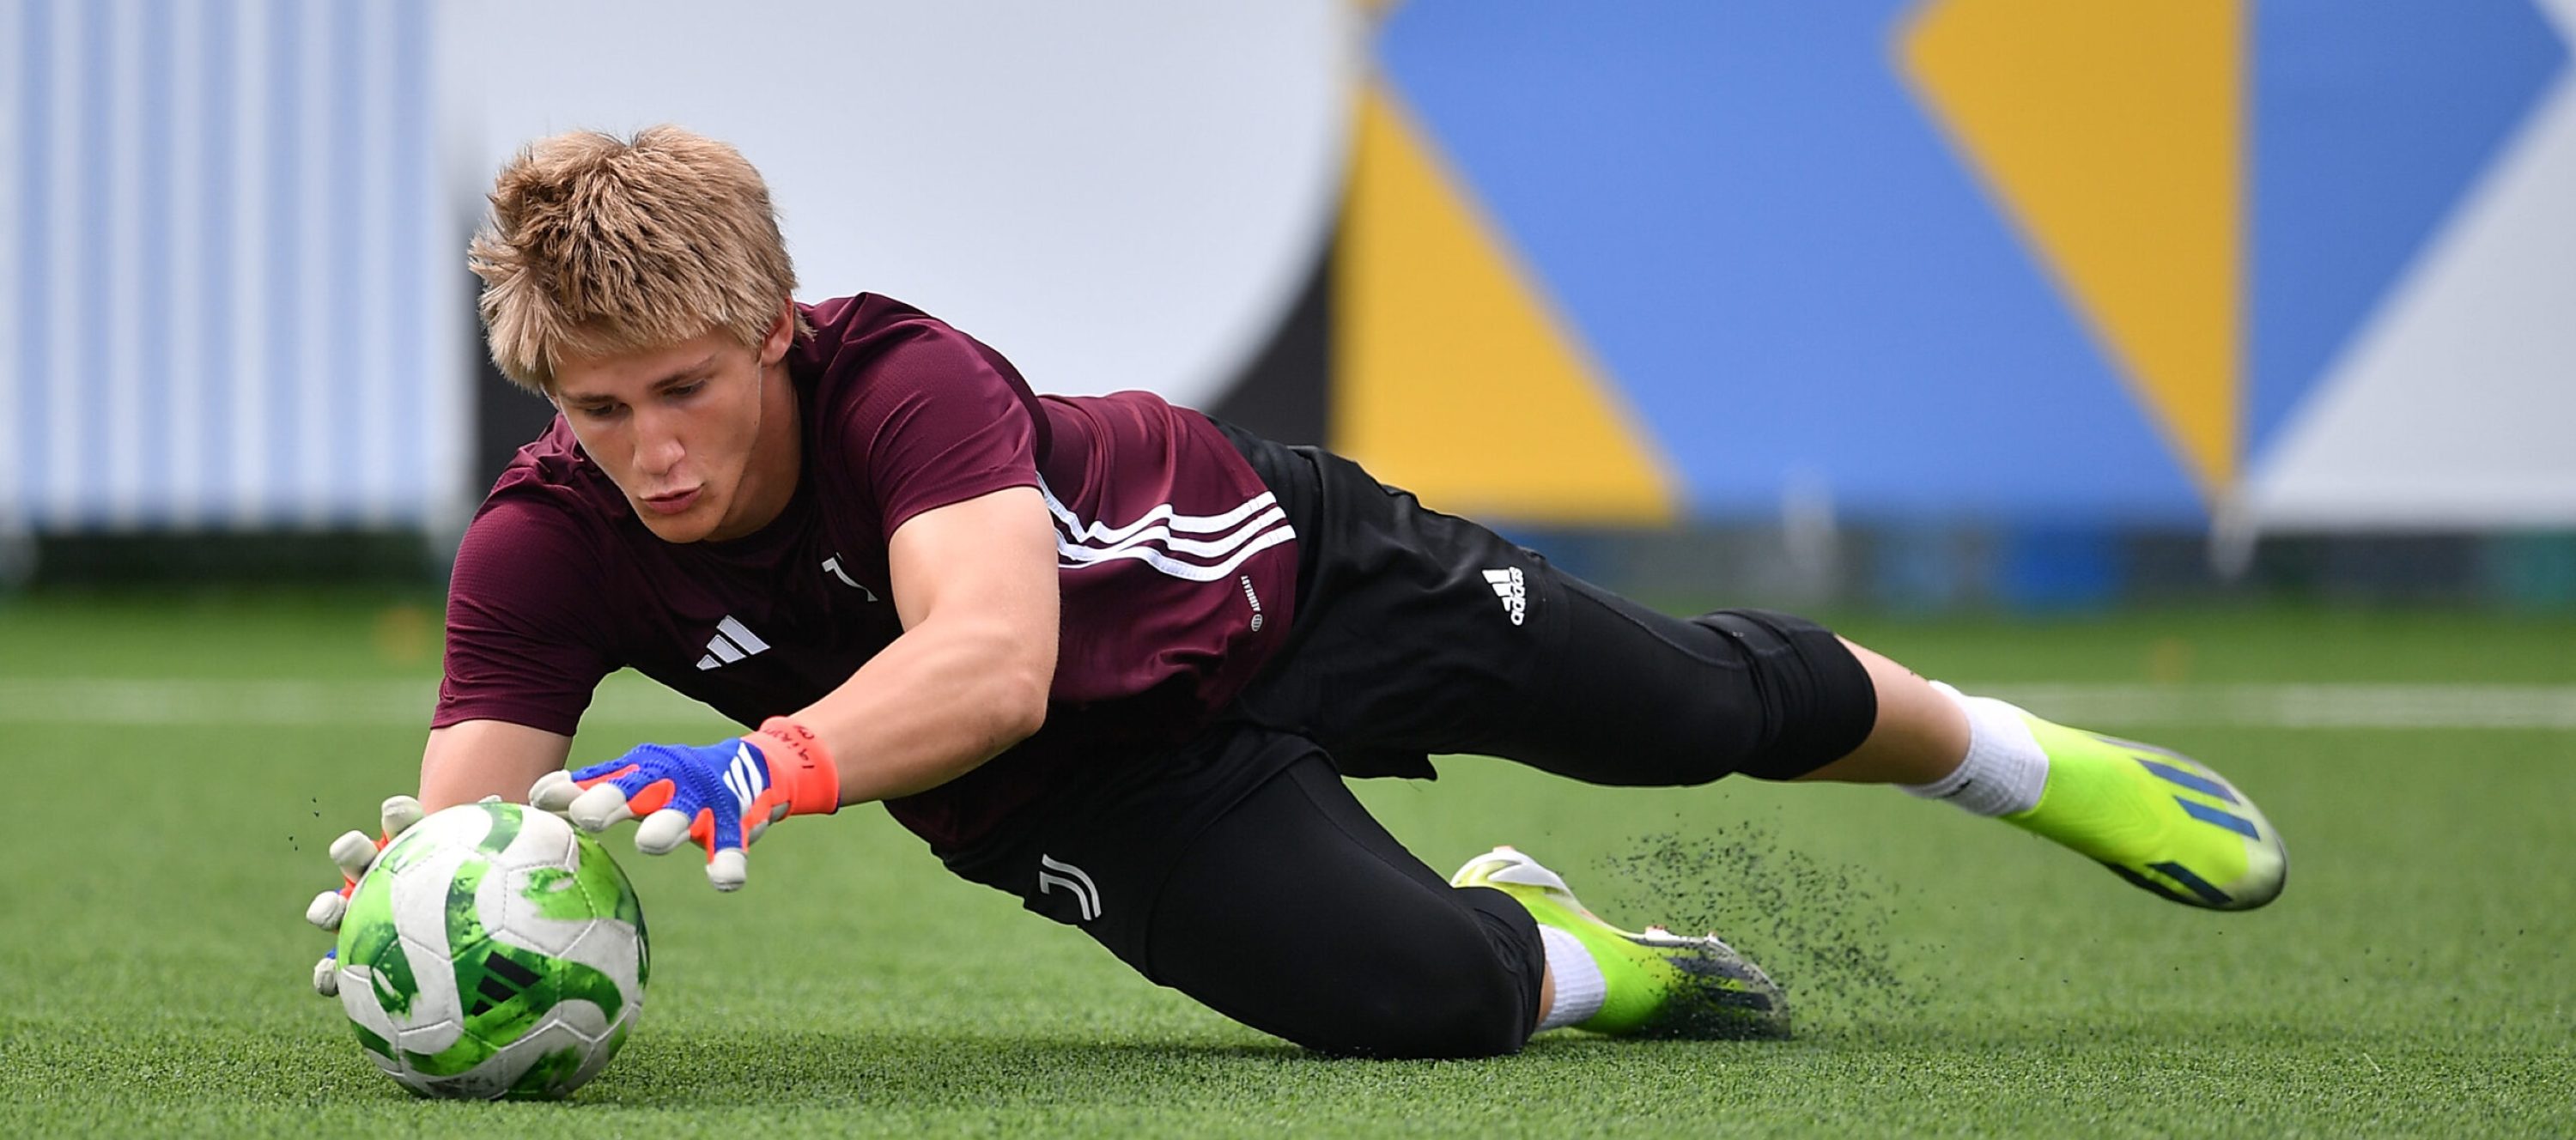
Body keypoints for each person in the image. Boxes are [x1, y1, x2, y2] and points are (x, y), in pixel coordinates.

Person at [305, 126, 2286, 1058]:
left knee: (1696, 714)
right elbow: (479, 800)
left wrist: (767, 772)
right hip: (1081, 793)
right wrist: (425, 911)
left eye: (686, 389)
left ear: (772, 330)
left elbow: (989, 655)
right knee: (1425, 1003)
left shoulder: (900, 376)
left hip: (1283, 579)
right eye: (599, 404)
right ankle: (1578, 944)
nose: (650, 444)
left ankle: (2028, 766)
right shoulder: (538, 542)